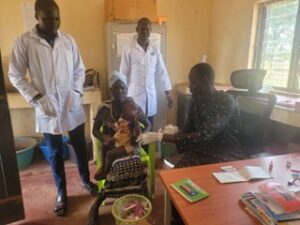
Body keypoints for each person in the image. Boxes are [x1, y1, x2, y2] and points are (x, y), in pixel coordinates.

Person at [8, 0, 97, 216]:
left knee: (79, 145)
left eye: (57, 18)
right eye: (48, 18)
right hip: (47, 106)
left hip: (71, 104)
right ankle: (62, 193)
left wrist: (77, 93)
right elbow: (15, 75)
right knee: (56, 152)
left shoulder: (68, 41)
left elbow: (79, 70)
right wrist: (37, 97)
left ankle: (86, 181)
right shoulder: (24, 41)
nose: (54, 23)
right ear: (37, 17)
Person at [138, 63, 246, 168]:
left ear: (205, 83)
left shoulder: (225, 102)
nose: (190, 86)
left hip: (224, 153)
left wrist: (160, 137)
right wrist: (173, 131)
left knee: (203, 182)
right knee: (175, 181)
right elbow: (188, 130)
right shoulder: (196, 101)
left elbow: (204, 135)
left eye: (193, 82)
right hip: (201, 151)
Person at [92, 71, 151, 179]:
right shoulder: (104, 108)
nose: (120, 91)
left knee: (127, 164)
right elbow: (94, 130)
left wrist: (140, 137)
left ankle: (135, 190)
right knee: (112, 159)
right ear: (111, 90)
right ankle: (109, 183)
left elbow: (148, 124)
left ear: (127, 90)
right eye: (116, 88)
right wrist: (103, 137)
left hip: (130, 145)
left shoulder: (133, 107)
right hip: (110, 146)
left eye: (123, 88)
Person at [119, 17, 173, 125]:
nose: (145, 32)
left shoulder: (154, 49)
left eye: (148, 30)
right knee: (134, 130)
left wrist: (168, 95)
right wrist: (122, 98)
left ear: (150, 31)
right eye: (142, 29)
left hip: (150, 97)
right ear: (137, 29)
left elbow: (162, 72)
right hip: (134, 97)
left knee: (149, 127)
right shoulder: (129, 48)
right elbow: (122, 73)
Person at [94, 98, 142, 180]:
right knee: (104, 146)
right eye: (125, 111)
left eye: (133, 110)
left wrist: (136, 121)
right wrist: (111, 137)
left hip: (127, 145)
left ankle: (106, 172)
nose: (131, 113)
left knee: (110, 154)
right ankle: (103, 165)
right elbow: (118, 129)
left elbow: (137, 134)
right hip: (118, 141)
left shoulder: (133, 123)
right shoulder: (122, 119)